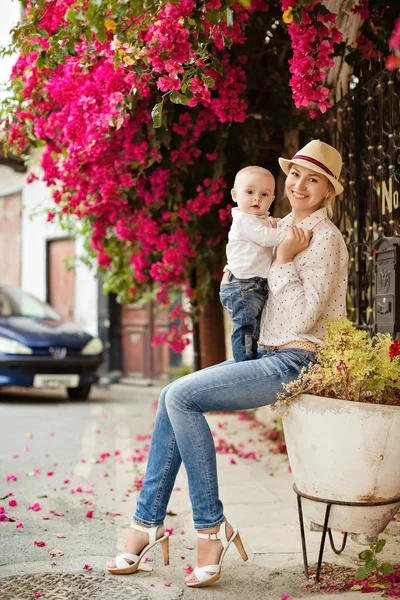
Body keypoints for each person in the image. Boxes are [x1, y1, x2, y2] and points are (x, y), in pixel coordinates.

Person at [107, 140, 349, 588]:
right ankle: (146, 525)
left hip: (297, 360)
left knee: (180, 395)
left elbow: (301, 317)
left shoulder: (323, 239)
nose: (299, 184)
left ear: (327, 191)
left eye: (313, 179)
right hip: (271, 354)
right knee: (173, 396)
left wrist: (281, 261)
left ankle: (208, 529)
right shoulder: (282, 226)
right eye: (295, 174)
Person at [220, 166, 281, 362]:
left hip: (250, 285)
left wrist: (273, 225)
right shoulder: (243, 220)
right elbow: (265, 239)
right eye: (249, 192)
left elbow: (265, 237)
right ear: (235, 195)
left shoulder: (258, 220)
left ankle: (249, 360)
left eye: (264, 194)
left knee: (251, 329)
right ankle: (243, 365)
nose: (257, 198)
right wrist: (289, 232)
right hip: (242, 285)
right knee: (245, 328)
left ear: (272, 198)